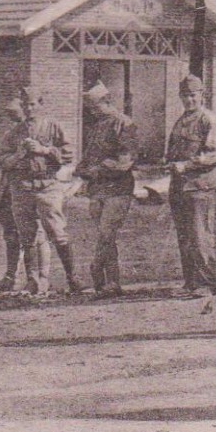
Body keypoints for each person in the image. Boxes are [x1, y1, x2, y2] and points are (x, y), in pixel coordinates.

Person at [2, 91, 77, 294]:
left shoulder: (53, 127)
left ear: (41, 104)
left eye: (33, 104)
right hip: (22, 187)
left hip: (47, 185)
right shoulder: (15, 132)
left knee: (57, 232)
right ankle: (34, 281)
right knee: (28, 237)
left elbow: (69, 154)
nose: (29, 109)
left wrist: (44, 150)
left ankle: (73, 279)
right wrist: (18, 155)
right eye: (25, 105)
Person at [77, 81, 138, 298]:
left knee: (106, 233)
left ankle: (97, 271)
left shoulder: (123, 123)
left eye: (96, 108)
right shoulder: (97, 126)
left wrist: (97, 170)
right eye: (90, 109)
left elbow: (125, 160)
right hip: (98, 190)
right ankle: (111, 283)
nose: (93, 113)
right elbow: (88, 156)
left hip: (118, 189)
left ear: (108, 102)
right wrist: (81, 169)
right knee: (105, 236)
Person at [166, 75, 216, 297]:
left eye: (193, 95)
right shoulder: (181, 120)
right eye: (185, 96)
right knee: (185, 236)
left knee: (201, 236)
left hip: (201, 186)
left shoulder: (209, 120)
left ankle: (207, 284)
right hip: (180, 186)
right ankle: (191, 282)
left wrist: (187, 165)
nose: (189, 100)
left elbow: (215, 154)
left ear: (202, 95)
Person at [0, 97, 28, 290]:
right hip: (7, 189)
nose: (13, 120)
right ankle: (11, 275)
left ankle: (33, 278)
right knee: (11, 235)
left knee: (31, 235)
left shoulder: (35, 133)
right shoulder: (9, 134)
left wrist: (11, 160)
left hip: (25, 189)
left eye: (15, 115)